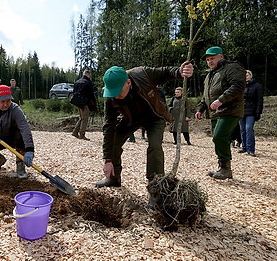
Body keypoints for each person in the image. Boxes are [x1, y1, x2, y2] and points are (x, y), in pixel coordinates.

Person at [95, 61, 194, 208]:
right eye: (112, 93)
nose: (115, 96)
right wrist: (107, 159)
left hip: (155, 116)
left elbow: (166, 71)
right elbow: (109, 126)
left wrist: (180, 72)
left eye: (118, 92)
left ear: (128, 82)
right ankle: (113, 178)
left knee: (154, 147)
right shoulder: (110, 95)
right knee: (114, 141)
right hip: (131, 119)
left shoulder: (143, 74)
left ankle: (155, 190)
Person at [195, 46, 246, 180]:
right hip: (215, 113)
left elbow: (238, 86)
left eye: (212, 58)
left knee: (219, 136)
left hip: (230, 109)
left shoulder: (232, 67)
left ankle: (225, 169)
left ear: (221, 57)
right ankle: (223, 168)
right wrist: (200, 108)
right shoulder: (209, 75)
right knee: (217, 139)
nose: (209, 62)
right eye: (207, 60)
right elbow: (205, 95)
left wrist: (221, 100)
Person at [238, 70, 263, 157]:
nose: (245, 76)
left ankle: (251, 149)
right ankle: (244, 147)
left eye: (247, 75)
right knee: (242, 129)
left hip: (252, 111)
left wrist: (258, 112)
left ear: (251, 76)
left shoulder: (257, 86)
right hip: (241, 111)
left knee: (249, 128)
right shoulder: (240, 86)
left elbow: (260, 100)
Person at [71, 70, 96, 140]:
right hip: (84, 102)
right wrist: (94, 103)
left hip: (77, 102)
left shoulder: (77, 82)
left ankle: (75, 132)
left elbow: (74, 92)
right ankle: (82, 134)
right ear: (88, 74)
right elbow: (91, 94)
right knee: (85, 118)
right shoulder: (88, 82)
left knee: (81, 117)